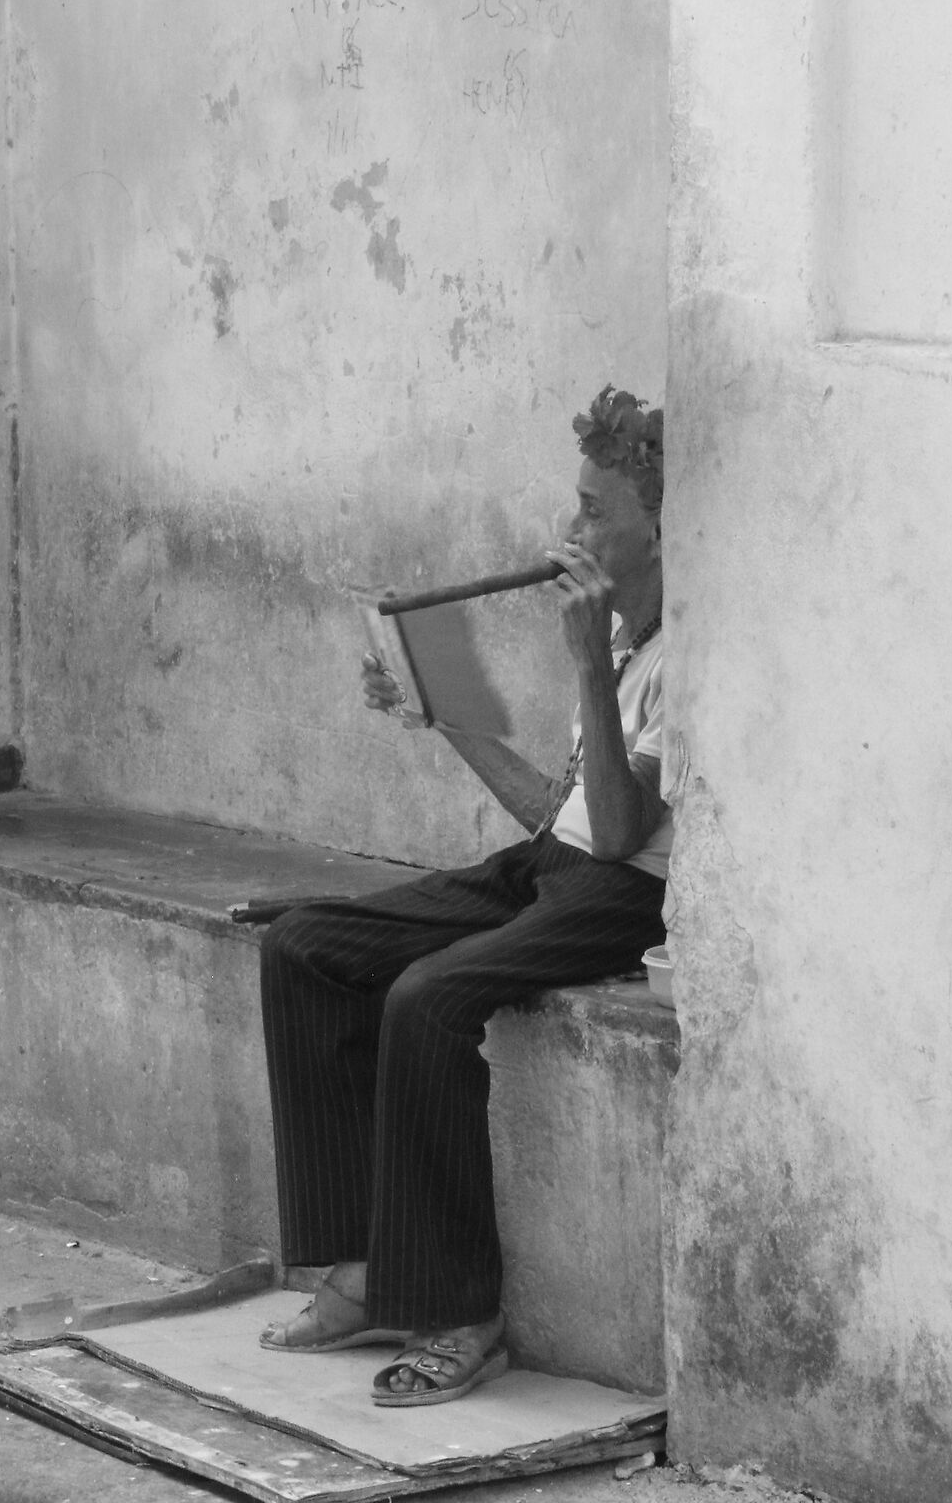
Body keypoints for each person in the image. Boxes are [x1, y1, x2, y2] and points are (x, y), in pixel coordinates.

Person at [255, 386, 670, 1407]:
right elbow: (556, 814)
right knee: (306, 946)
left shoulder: (686, 655)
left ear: (664, 527)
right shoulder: (619, 639)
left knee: (429, 996)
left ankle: (458, 1312)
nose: (572, 531)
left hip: (627, 896)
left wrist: (582, 663)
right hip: (558, 870)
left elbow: (618, 835)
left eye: (594, 510)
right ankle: (361, 1271)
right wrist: (444, 712)